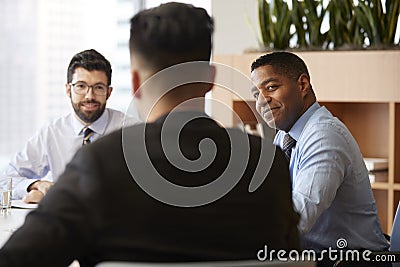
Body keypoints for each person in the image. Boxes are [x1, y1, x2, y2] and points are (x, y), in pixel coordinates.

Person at [0, 3, 300, 266]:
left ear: (134, 81)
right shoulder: (267, 164)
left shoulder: (99, 164)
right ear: (210, 80)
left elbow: (18, 258)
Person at [250, 52, 389, 253]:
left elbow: (298, 218)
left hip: (351, 262)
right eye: (256, 94)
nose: (262, 101)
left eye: (271, 87)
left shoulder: (325, 134)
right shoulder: (284, 137)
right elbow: (274, 201)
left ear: (303, 85)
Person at [1, 49, 137, 203]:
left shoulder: (131, 131)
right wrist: (36, 185)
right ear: (68, 89)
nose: (89, 96)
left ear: (109, 92)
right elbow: (6, 181)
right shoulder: (51, 133)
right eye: (81, 86)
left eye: (98, 87)